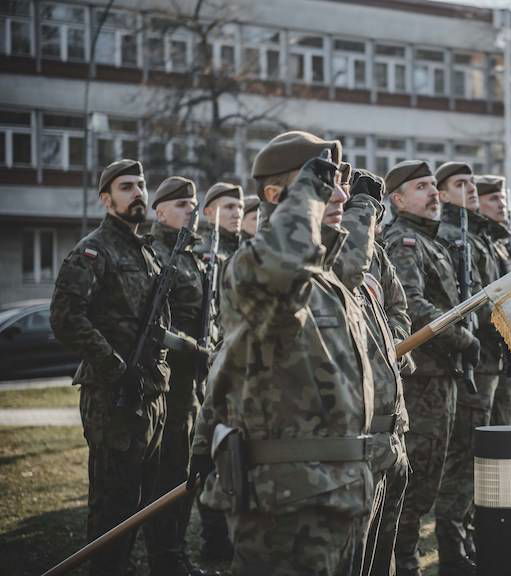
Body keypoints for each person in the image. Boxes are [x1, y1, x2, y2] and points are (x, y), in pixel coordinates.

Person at [189, 131, 374, 576]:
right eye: (319, 179)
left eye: (336, 180)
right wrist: (309, 193)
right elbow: (284, 264)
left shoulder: (327, 281)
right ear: (276, 194)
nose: (337, 193)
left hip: (339, 492)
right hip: (285, 505)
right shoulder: (252, 266)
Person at [49, 159, 168, 576]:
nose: (137, 192)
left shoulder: (148, 253)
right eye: (125, 187)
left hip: (151, 395)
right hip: (112, 396)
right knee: (112, 508)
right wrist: (115, 366)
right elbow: (65, 317)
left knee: (143, 503)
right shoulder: (94, 250)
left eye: (140, 185)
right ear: (106, 199)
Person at [384, 160, 481, 576]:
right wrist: (464, 339)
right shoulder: (403, 242)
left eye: (432, 186)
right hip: (420, 379)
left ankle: (415, 557)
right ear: (398, 199)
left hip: (442, 377)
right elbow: (414, 307)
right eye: (421, 187)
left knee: (436, 475)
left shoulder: (432, 242)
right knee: (415, 482)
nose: (433, 194)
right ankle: (402, 562)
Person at [334, 167, 412, 576]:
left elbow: (398, 308)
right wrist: (361, 206)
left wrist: (393, 345)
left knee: (384, 551)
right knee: (356, 558)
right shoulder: (330, 258)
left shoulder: (379, 258)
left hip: (391, 428)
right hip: (357, 437)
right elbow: (348, 264)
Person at [433, 162, 502, 575]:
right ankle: (452, 551)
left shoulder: (473, 235)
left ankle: (466, 539)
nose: (472, 190)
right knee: (464, 458)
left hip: (487, 359)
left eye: (473, 184)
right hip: (470, 362)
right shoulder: (451, 237)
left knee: (478, 456)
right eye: (461, 185)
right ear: (442, 194)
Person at [147, 176, 213, 576]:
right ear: (160, 212)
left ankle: (176, 552)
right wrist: (189, 344)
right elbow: (150, 323)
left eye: (193, 202)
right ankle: (164, 556)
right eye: (182, 204)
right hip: (169, 384)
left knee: (188, 470)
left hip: (195, 383)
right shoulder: (157, 254)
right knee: (168, 471)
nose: (192, 208)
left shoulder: (195, 256)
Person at [194, 181, 244, 560]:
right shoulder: (199, 254)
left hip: (237, 367)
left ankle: (232, 535)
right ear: (208, 212)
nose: (237, 214)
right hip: (204, 370)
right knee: (208, 455)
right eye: (229, 208)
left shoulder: (246, 255)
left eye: (240, 208)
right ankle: (214, 540)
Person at [475, 175, 511, 426]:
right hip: (487, 352)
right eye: (493, 198)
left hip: (506, 352)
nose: (501, 204)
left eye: (503, 198)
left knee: (509, 425)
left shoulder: (502, 243)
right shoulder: (477, 244)